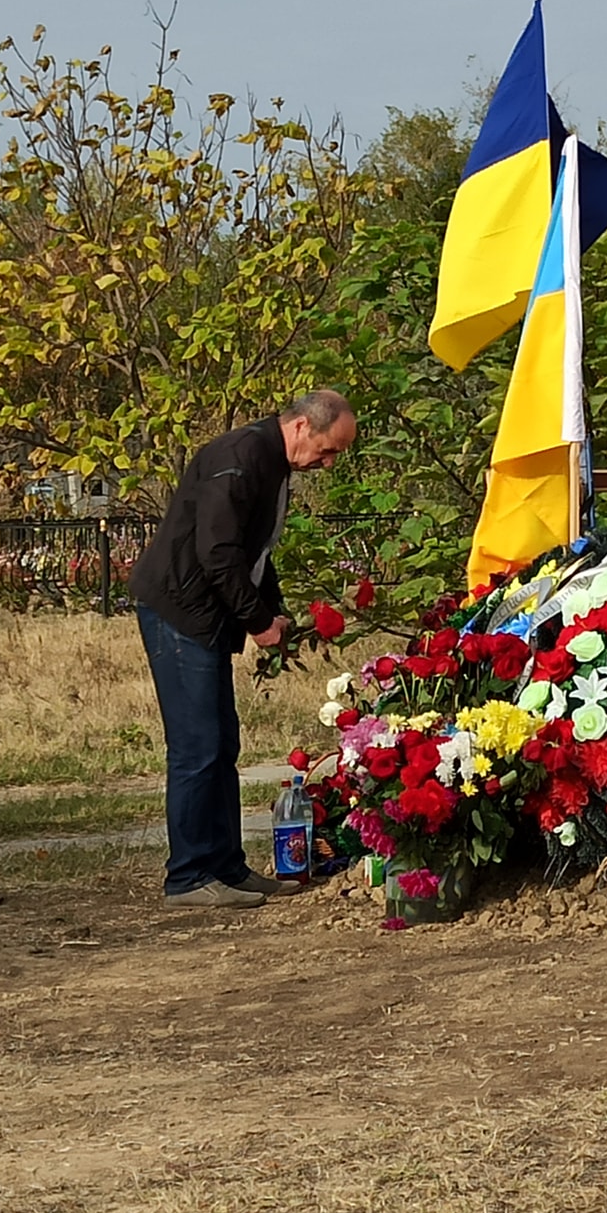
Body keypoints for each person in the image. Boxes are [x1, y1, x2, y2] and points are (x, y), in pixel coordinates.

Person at [130, 389, 357, 908]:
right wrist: (257, 621)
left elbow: (256, 552)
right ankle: (187, 876)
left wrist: (273, 610)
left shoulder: (271, 463)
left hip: (205, 614)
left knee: (222, 746)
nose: (328, 463)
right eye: (327, 450)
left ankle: (228, 868)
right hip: (179, 612)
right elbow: (218, 553)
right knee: (196, 747)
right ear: (301, 426)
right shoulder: (241, 457)